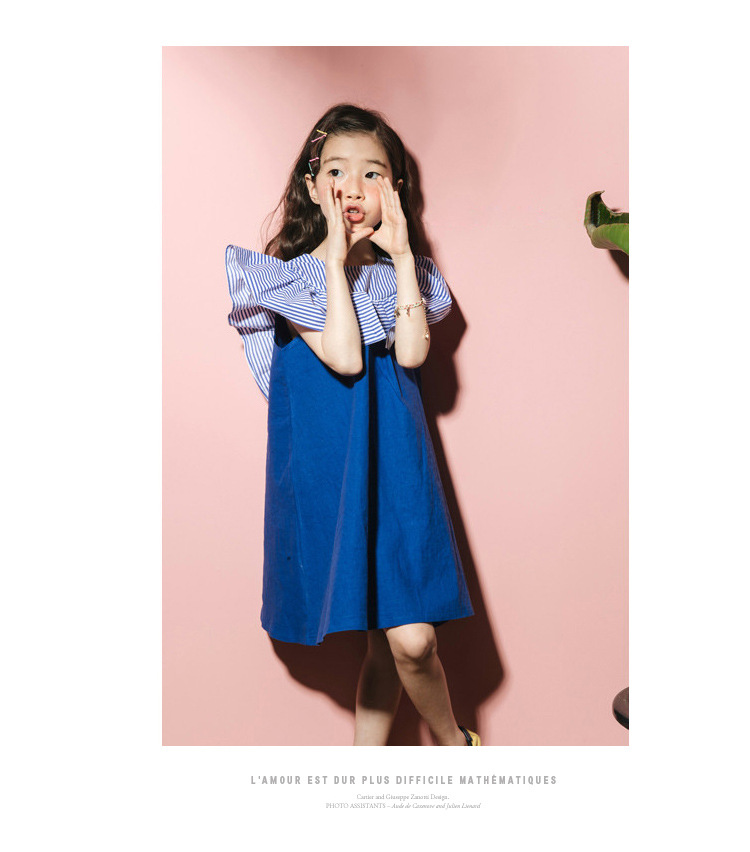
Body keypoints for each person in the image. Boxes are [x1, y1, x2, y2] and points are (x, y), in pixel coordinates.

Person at [225, 104, 479, 746]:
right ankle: (370, 775)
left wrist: (402, 258)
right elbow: (344, 355)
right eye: (336, 171)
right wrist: (335, 261)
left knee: (411, 641)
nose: (354, 188)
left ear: (395, 188)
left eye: (373, 173)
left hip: (398, 467)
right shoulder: (286, 278)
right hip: (335, 473)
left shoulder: (400, 275)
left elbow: (413, 354)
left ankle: (456, 747)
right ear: (313, 187)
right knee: (383, 643)